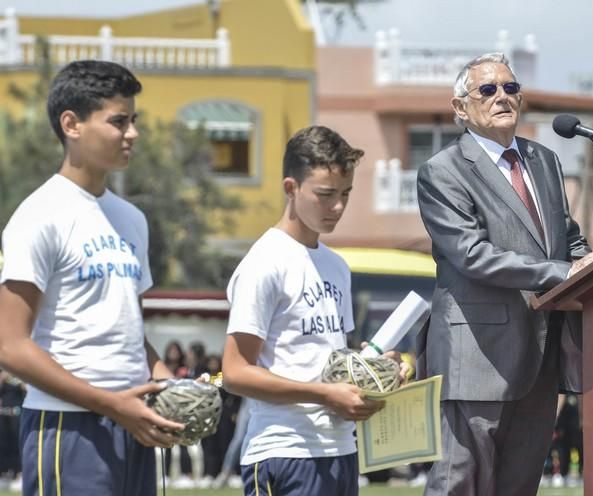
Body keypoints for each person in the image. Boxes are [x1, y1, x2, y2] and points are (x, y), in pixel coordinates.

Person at [415, 52, 593, 496]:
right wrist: (565, 272)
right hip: (476, 355)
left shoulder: (544, 161)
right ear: (461, 108)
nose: (503, 96)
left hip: (540, 358)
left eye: (511, 88)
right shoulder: (442, 172)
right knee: (459, 485)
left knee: (519, 487)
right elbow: (472, 255)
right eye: (488, 89)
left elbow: (566, 238)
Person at [0, 60, 183, 496]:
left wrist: (169, 384)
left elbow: (129, 332)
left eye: (133, 120)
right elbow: (10, 346)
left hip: (131, 421)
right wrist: (112, 404)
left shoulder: (132, 220)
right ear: (72, 124)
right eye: (119, 121)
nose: (132, 133)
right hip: (67, 427)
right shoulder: (38, 216)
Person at [222, 125, 398, 496]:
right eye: (325, 194)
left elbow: (332, 360)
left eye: (346, 194)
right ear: (291, 188)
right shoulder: (265, 262)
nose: (337, 207)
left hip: (340, 449)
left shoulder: (337, 266)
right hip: (284, 451)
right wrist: (324, 395)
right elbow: (235, 372)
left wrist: (376, 368)